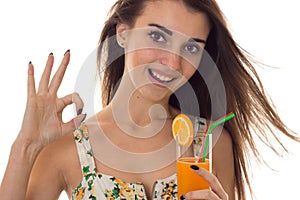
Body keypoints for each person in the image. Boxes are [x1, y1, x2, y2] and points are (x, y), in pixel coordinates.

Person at [0, 0, 298, 199]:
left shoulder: (210, 143)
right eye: (158, 37)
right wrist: (25, 146)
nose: (172, 62)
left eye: (192, 48)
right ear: (122, 34)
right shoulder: (66, 150)